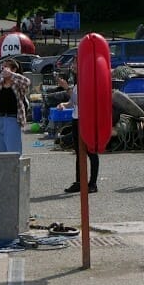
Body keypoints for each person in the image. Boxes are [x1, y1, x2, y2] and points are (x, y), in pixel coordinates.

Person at [60, 59, 99, 194]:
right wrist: (64, 105)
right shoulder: (77, 82)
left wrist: (67, 88)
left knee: (90, 151)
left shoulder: (87, 80)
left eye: (76, 63)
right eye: (72, 64)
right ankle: (79, 181)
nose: (73, 66)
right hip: (77, 118)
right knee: (79, 152)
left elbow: (80, 100)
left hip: (86, 119)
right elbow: (73, 102)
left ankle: (92, 183)